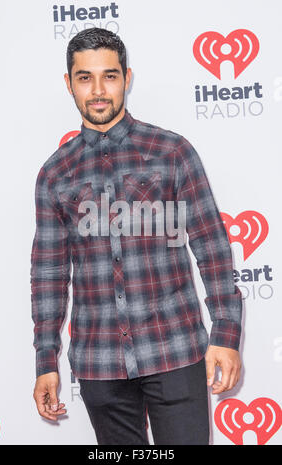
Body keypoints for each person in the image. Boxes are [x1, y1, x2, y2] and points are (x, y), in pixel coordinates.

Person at [31, 27, 243, 445]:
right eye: (84, 77)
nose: (97, 90)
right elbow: (48, 276)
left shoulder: (171, 152)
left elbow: (212, 245)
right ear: (69, 83)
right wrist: (45, 360)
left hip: (175, 349)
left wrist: (226, 332)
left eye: (109, 76)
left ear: (127, 78)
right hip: (99, 361)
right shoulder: (55, 173)